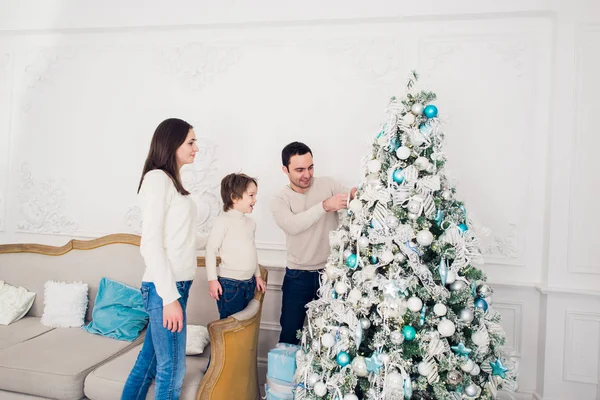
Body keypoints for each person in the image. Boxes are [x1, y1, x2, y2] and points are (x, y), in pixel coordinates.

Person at [122, 118, 203, 400]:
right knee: (172, 370)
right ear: (173, 144)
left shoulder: (169, 180)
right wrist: (169, 298)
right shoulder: (157, 179)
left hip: (175, 285)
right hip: (165, 288)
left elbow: (179, 239)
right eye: (191, 142)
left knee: (149, 364)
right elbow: (151, 244)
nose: (196, 148)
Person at [270, 141, 356, 345]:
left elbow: (354, 200)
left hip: (331, 275)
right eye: (299, 169)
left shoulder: (329, 184)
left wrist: (356, 196)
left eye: (310, 167)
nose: (307, 174)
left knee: (333, 336)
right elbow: (293, 225)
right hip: (297, 276)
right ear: (285, 170)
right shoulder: (279, 199)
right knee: (290, 335)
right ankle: (285, 378)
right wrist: (325, 206)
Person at [205, 173, 266, 319]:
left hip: (249, 283)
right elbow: (210, 250)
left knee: (244, 325)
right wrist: (212, 280)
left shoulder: (251, 223)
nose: (255, 200)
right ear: (234, 197)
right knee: (230, 325)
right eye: (251, 195)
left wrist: (257, 275)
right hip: (230, 286)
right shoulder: (223, 221)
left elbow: (252, 251)